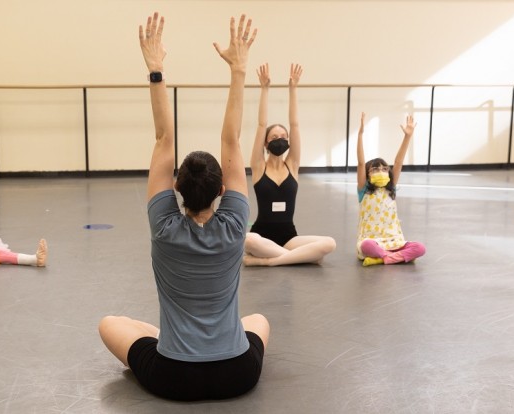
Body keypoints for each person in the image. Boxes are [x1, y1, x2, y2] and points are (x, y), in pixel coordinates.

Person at [98, 13, 269, 401]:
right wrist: (238, 70)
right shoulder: (235, 223)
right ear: (222, 189)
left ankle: (172, 336)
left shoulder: (164, 226)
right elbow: (232, 142)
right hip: (238, 373)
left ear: (175, 187)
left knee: (111, 323)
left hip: (173, 377)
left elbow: (163, 139)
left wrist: (156, 70)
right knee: (258, 320)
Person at [242, 63, 336, 266]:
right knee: (248, 239)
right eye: (274, 136)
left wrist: (293, 89)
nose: (280, 139)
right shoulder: (259, 166)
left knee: (329, 243)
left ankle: (268, 262)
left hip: (289, 237)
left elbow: (295, 124)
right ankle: (297, 258)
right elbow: (260, 124)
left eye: (284, 137)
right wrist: (264, 89)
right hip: (261, 235)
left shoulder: (292, 165)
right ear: (266, 143)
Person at [356, 112, 426, 266]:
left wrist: (407, 137)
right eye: (374, 170)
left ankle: (384, 258)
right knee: (366, 246)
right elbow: (361, 163)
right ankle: (394, 257)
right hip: (373, 241)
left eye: (384, 169)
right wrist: (360, 135)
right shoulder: (364, 190)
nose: (380, 172)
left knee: (420, 248)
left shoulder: (391, 189)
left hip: (395, 241)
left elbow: (398, 161)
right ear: (367, 175)